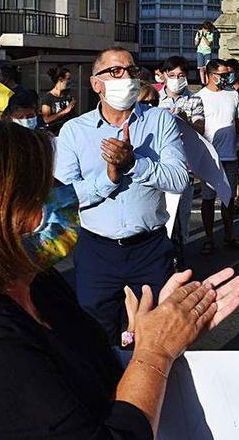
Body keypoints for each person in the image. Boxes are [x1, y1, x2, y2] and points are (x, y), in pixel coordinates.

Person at [0, 120, 239, 439]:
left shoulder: (38, 286)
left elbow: (90, 376)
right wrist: (154, 354)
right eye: (46, 184)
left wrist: (144, 337)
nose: (63, 194)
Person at [54, 47, 190, 342]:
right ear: (96, 84)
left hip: (150, 247)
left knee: (157, 334)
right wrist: (109, 178)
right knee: (94, 335)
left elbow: (179, 180)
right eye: (115, 71)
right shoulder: (74, 131)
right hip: (96, 250)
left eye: (131, 71)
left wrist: (134, 164)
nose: (126, 77)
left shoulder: (160, 121)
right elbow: (65, 196)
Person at [155, 56, 205, 269]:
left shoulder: (194, 100)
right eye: (172, 75)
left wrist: (186, 119)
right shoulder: (154, 99)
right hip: (158, 164)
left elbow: (200, 130)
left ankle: (179, 253)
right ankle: (160, 254)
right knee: (159, 213)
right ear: (164, 76)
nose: (176, 79)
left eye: (181, 76)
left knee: (182, 214)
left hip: (184, 165)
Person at [195, 59, 239, 254]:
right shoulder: (199, 97)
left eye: (228, 74)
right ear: (210, 75)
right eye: (223, 75)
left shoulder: (233, 95)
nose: (227, 77)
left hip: (231, 155)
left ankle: (229, 234)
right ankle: (208, 237)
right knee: (208, 199)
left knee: (229, 198)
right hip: (209, 157)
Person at [41, 67, 76, 135]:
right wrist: (65, 111)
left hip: (69, 131)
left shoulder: (68, 96)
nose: (70, 81)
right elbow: (46, 119)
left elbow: (73, 115)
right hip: (55, 133)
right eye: (68, 79)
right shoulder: (48, 98)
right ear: (60, 79)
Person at [195, 21, 216, 85]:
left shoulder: (210, 34)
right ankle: (203, 82)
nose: (206, 30)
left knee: (207, 68)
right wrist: (198, 38)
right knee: (201, 68)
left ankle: (207, 82)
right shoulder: (199, 33)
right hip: (200, 52)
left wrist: (203, 37)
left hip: (207, 52)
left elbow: (209, 44)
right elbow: (195, 44)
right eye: (205, 29)